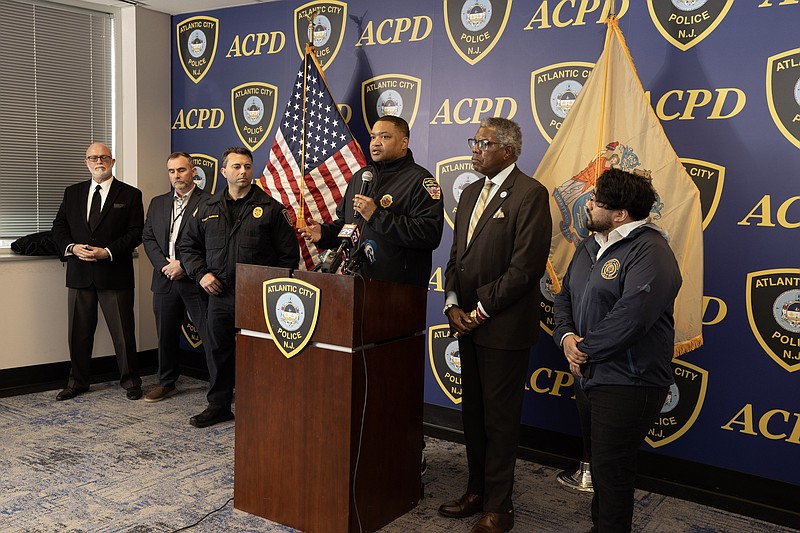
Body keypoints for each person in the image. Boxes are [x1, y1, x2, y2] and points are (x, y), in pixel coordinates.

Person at [553, 168, 682, 533]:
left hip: (630, 380)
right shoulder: (590, 243)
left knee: (612, 471)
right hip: (590, 373)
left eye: (595, 202)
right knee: (602, 467)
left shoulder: (652, 250)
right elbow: (565, 295)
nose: (588, 206)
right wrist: (565, 338)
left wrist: (584, 350)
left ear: (620, 214)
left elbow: (632, 318)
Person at [440, 118, 552, 533]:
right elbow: (457, 258)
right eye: (474, 142)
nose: (474, 149)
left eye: (483, 143)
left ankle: (500, 508)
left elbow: (526, 269)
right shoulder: (469, 192)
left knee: (499, 422)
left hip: (501, 327)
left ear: (508, 150)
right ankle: (477, 493)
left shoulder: (530, 194)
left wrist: (481, 310)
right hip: (465, 324)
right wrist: (453, 304)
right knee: (473, 415)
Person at [179, 146, 300, 428]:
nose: (242, 171)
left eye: (247, 166)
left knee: (261, 354)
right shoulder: (206, 208)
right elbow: (188, 246)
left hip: (257, 297)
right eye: (236, 167)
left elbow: (288, 257)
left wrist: (269, 289)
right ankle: (219, 405)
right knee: (218, 350)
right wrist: (201, 274)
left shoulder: (271, 209)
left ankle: (261, 405)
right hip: (219, 294)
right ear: (224, 172)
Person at [300, 115, 444, 288]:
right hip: (357, 283)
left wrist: (376, 216)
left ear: (404, 143)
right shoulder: (361, 177)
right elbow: (349, 225)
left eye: (385, 137)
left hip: (399, 290)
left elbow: (428, 234)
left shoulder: (420, 181)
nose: (376, 142)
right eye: (373, 137)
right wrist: (324, 233)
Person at [51, 142, 144, 401]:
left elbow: (136, 233)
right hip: (80, 272)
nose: (98, 161)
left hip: (114, 272)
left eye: (103, 157)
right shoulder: (72, 193)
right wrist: (71, 247)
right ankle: (78, 382)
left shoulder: (130, 194)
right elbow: (58, 227)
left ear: (112, 162)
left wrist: (108, 252)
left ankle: (131, 381)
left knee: (123, 333)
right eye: (93, 158)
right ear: (86, 163)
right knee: (78, 334)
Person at [141, 152, 211, 402]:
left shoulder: (210, 202)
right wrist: (164, 266)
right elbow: (148, 239)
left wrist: (184, 265)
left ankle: (219, 383)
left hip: (195, 279)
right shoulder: (158, 203)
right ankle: (166, 382)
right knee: (166, 334)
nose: (176, 176)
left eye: (181, 170)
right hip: (164, 279)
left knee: (210, 333)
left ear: (193, 172)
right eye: (172, 171)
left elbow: (213, 244)